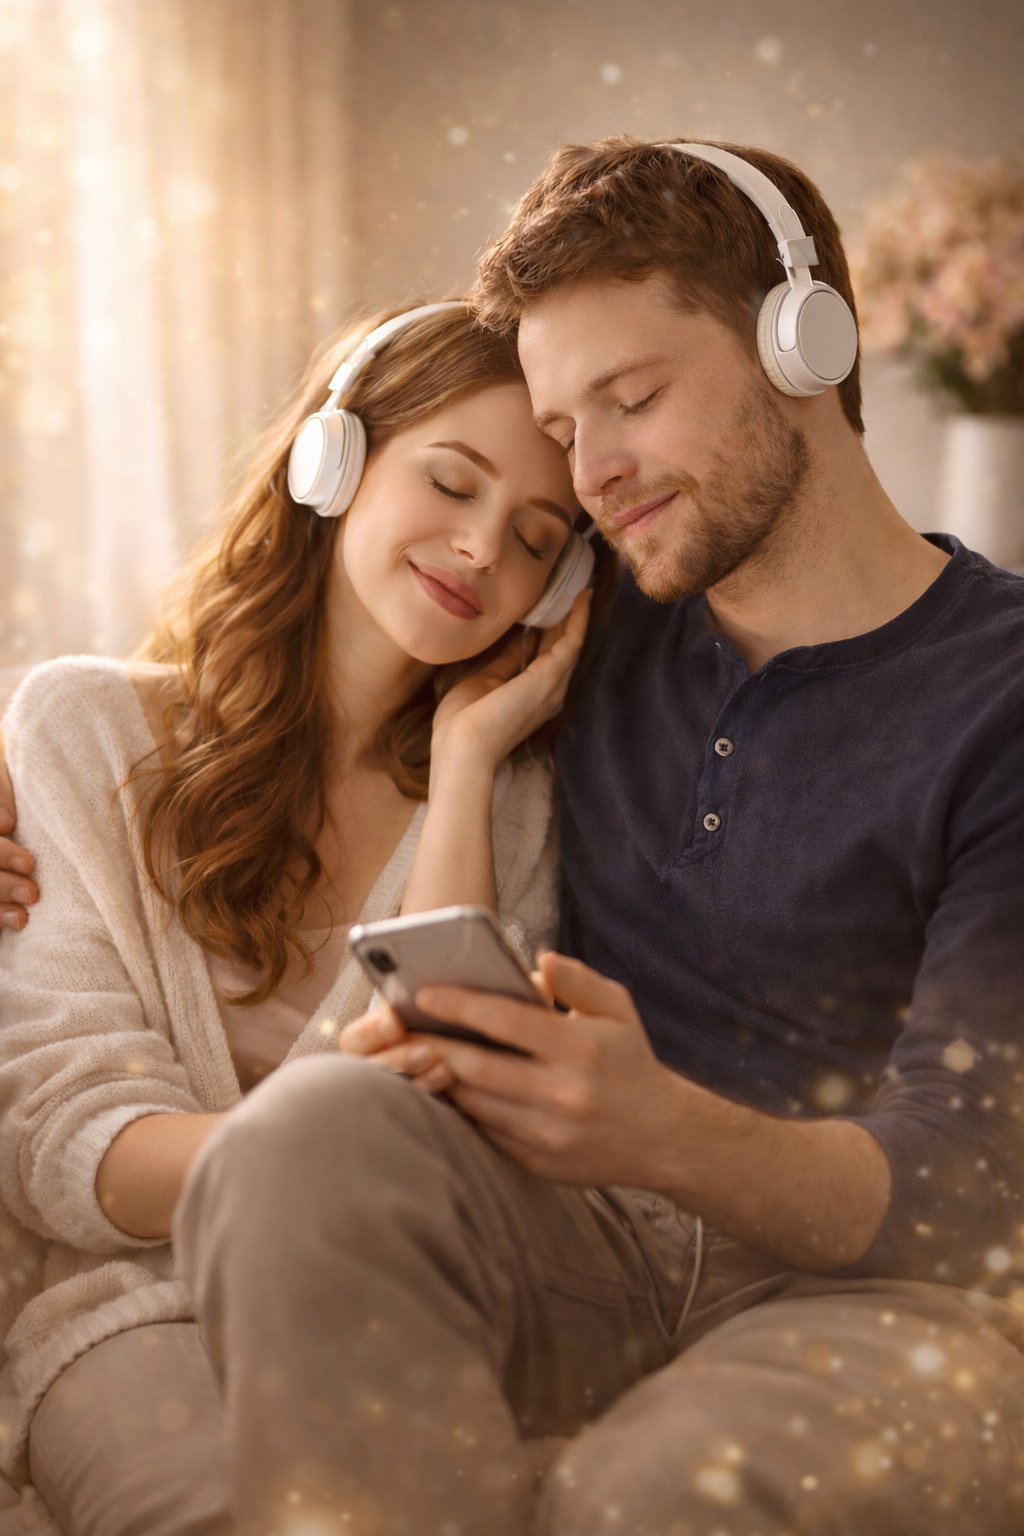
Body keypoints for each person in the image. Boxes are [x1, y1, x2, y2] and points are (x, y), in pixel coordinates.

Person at [4, 136, 1024, 1536]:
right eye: (565, 429)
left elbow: (974, 1179)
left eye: (633, 399)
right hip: (578, 1237)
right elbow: (320, 636)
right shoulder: (600, 612)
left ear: (806, 342)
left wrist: (662, 1127)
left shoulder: (1002, 695)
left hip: (871, 1293)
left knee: (641, 1498)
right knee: (315, 1128)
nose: (590, 477)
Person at [0, 299, 601, 1535]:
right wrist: (317, 1181)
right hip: (135, 1320)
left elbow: (455, 1121)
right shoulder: (84, 730)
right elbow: (64, 1143)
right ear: (334, 456)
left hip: (394, 1311)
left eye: (538, 538)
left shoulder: (521, 804)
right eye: (451, 481)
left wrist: (473, 756)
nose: (484, 549)